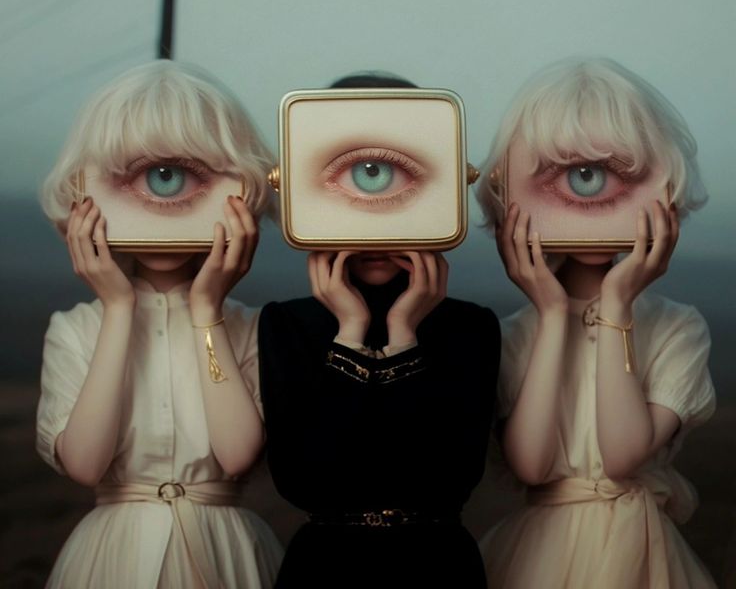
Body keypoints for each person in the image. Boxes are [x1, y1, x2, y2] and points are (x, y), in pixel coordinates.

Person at [37, 60, 283, 588]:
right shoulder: (75, 328)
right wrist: (118, 308)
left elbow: (236, 454)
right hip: (111, 559)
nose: (162, 204)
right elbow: (85, 462)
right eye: (147, 176)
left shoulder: (251, 326)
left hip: (226, 555)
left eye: (174, 176)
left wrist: (207, 311)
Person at [475, 57, 716, 588]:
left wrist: (618, 302)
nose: (591, 201)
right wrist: (553, 314)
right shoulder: (514, 332)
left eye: (609, 175)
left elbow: (623, 453)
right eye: (578, 177)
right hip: (536, 556)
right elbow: (532, 467)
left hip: (639, 554)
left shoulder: (679, 326)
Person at [258, 71, 501, 588]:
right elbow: (307, 480)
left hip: (439, 570)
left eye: (385, 175)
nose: (372, 224)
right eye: (359, 175)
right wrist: (349, 330)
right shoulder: (287, 323)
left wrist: (402, 336)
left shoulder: (471, 327)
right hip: (322, 571)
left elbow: (445, 479)